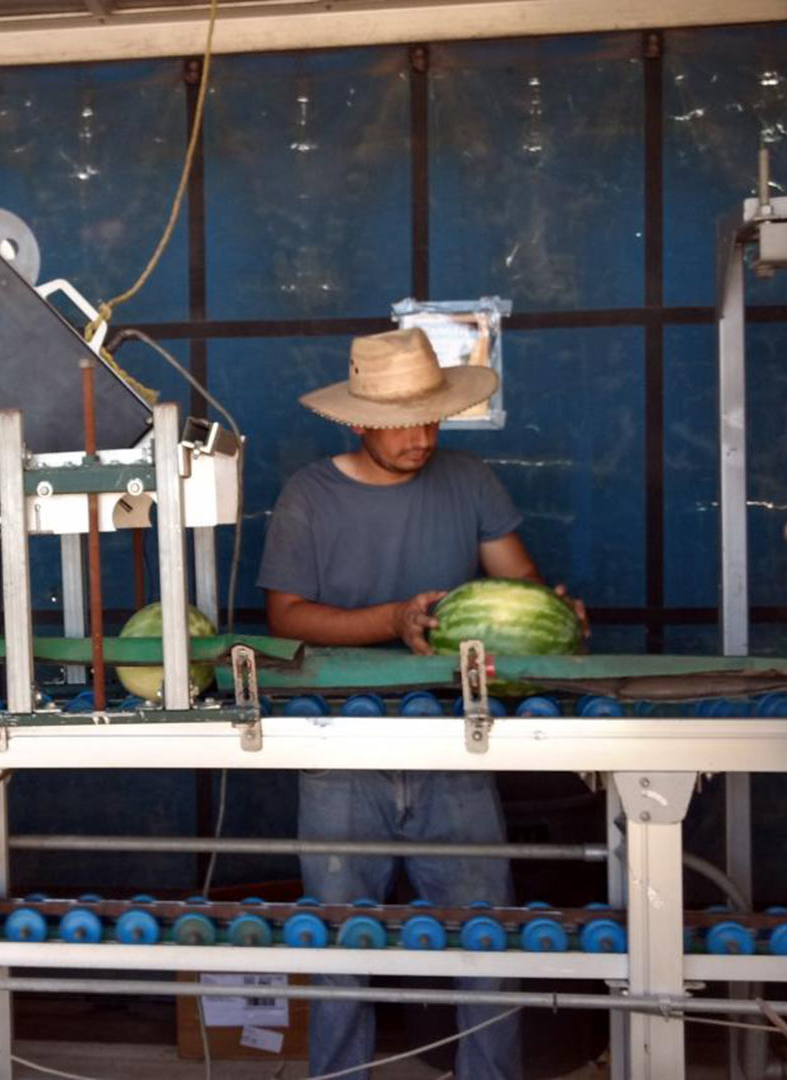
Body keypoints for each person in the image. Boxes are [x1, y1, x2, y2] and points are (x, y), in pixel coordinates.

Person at [257, 327, 584, 1080]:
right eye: (405, 422)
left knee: (485, 940)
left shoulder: (469, 481)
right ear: (361, 421)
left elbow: (520, 588)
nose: (423, 437)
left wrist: (556, 614)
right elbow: (287, 618)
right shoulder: (310, 495)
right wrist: (393, 620)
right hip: (340, 750)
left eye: (433, 418)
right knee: (342, 945)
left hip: (453, 744)